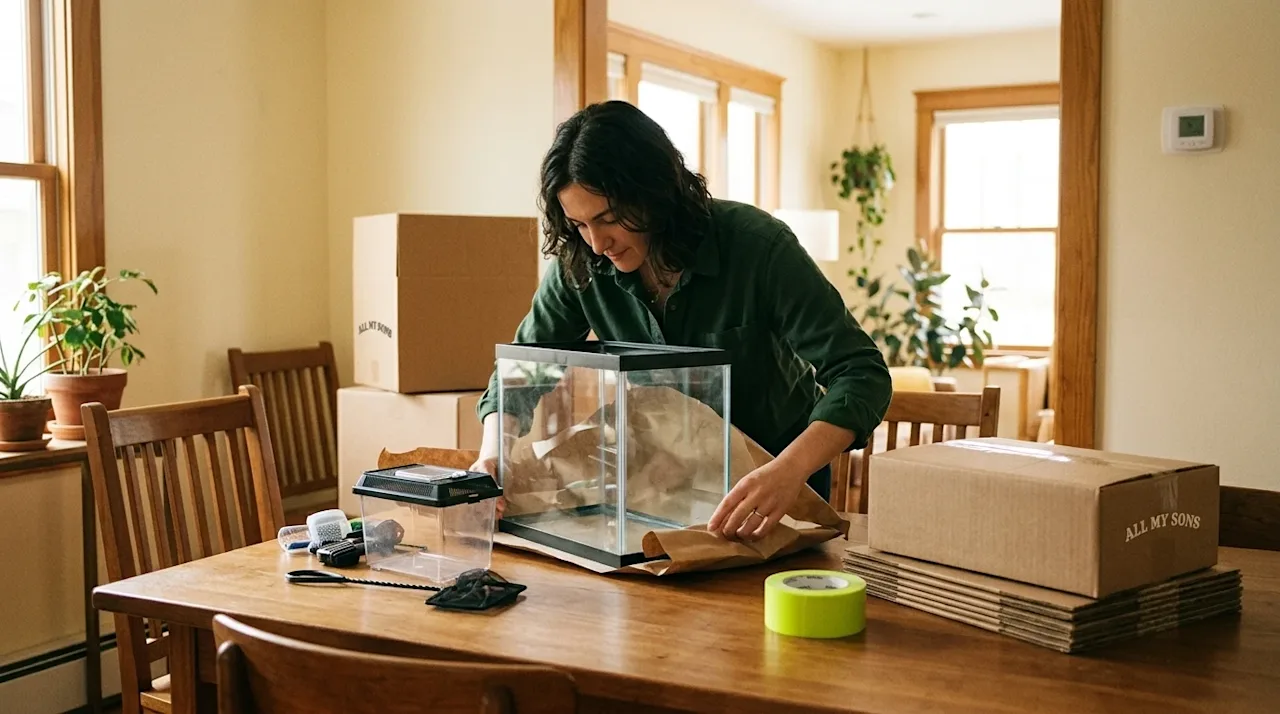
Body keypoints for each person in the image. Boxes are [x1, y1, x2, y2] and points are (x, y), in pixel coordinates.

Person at [470, 100, 891, 542]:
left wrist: (787, 471)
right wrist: (492, 455)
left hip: (777, 479)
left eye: (609, 219)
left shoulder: (758, 247)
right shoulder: (580, 264)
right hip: (661, 481)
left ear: (655, 193)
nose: (597, 243)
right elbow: (526, 365)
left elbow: (861, 373)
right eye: (579, 224)